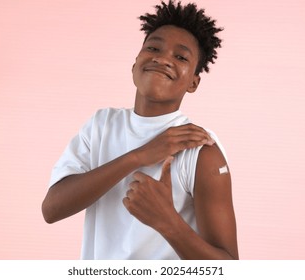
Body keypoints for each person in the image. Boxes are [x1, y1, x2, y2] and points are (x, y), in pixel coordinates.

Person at [42, 0, 238, 260]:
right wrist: (139, 156)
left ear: (193, 81)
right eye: (153, 48)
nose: (162, 58)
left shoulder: (200, 150)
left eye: (180, 57)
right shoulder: (101, 125)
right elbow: (52, 209)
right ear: (135, 64)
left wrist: (167, 221)